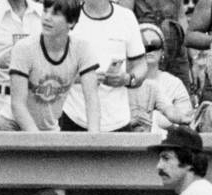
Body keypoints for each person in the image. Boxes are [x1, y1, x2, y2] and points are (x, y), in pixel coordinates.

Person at [0, 0, 101, 131]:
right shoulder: (24, 48)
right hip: (14, 124)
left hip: (49, 126)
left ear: (71, 22)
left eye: (55, 14)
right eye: (45, 10)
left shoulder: (82, 49)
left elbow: (92, 99)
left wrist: (94, 139)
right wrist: (38, 141)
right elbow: (18, 105)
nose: (47, 17)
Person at [60, 0, 147, 132]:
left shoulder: (126, 17)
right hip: (74, 118)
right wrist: (83, 78)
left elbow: (141, 66)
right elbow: (53, 69)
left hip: (118, 121)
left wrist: (127, 79)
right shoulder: (68, 16)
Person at [129, 23, 193, 132]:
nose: (149, 50)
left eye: (155, 45)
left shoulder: (174, 83)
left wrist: (157, 119)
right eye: (143, 45)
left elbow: (186, 121)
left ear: (162, 51)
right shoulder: (125, 81)